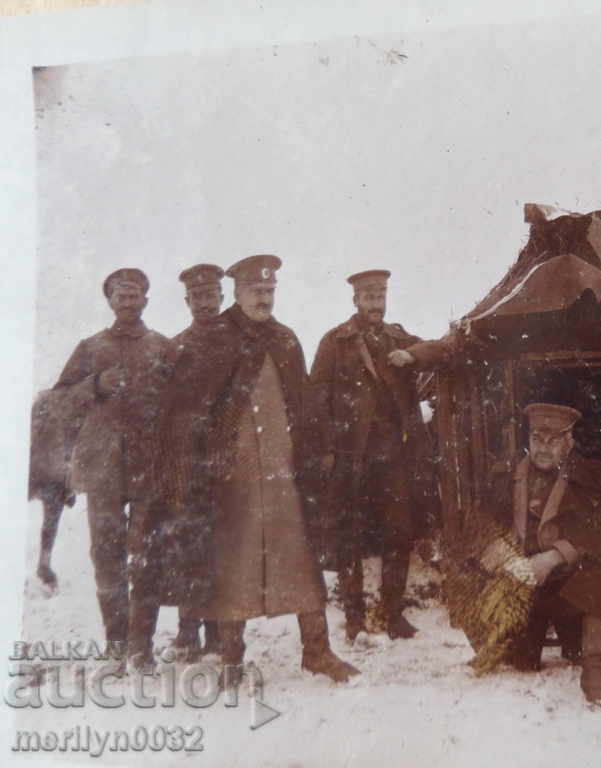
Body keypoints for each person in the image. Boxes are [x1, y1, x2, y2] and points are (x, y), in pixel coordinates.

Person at [154, 254, 358, 683]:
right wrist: (203, 464)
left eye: (269, 290)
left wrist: (320, 450)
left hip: (284, 472)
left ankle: (317, 651)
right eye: (256, 291)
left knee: (300, 558)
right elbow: (188, 410)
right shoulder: (215, 339)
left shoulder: (285, 339)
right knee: (233, 564)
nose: (264, 298)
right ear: (238, 292)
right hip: (233, 476)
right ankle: (231, 659)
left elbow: (305, 400)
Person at [309, 269, 437, 642]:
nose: (376, 304)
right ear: (356, 300)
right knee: (350, 538)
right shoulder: (335, 342)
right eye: (369, 297)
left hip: (394, 458)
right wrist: (328, 449)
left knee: (399, 534)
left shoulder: (398, 337)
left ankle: (393, 614)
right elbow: (316, 399)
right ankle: (354, 618)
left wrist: (411, 355)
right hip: (353, 459)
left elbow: (441, 350)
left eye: (380, 296)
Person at [52, 268, 175, 651]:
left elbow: (181, 404)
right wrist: (95, 385)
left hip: (149, 467)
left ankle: (142, 645)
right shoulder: (90, 348)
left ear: (146, 301)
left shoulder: (163, 347)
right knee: (106, 556)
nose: (128, 302)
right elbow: (59, 402)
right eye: (121, 295)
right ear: (109, 301)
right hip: (102, 468)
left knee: (147, 556)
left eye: (134, 295)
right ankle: (116, 643)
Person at [482, 403, 601, 707]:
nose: (543, 448)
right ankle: (527, 642)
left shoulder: (587, 477)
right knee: (522, 662)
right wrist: (498, 548)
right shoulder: (506, 475)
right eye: (537, 439)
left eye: (553, 441)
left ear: (568, 442)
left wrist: (552, 558)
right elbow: (481, 525)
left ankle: (595, 675)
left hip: (568, 591)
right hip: (524, 590)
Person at [148, 264, 226, 662]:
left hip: (227, 462)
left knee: (222, 547)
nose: (205, 303)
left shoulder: (237, 345)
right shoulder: (175, 348)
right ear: (187, 302)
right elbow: (163, 410)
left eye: (211, 295)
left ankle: (219, 633)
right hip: (187, 464)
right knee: (189, 546)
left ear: (222, 297)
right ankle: (188, 631)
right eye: (198, 297)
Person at [28, 387, 81, 589]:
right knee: (51, 517)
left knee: (51, 516)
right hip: (49, 470)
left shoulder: (45, 399)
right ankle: (44, 564)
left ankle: (44, 564)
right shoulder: (72, 403)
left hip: (43, 468)